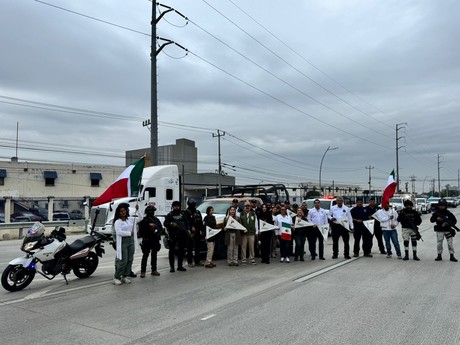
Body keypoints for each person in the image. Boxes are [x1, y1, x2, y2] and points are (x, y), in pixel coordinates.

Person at [113, 203, 138, 285]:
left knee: (130, 259)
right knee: (123, 260)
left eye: (124, 210)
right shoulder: (118, 221)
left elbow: (140, 218)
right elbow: (119, 232)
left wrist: (138, 210)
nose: (123, 212)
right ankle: (117, 277)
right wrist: (128, 233)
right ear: (118, 213)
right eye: (121, 211)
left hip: (131, 241)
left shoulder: (129, 219)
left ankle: (125, 276)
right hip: (123, 242)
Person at [164, 201, 190, 272]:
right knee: (172, 251)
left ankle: (180, 266)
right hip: (172, 235)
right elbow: (165, 223)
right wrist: (171, 223)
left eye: (178, 206)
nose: (176, 207)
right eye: (175, 206)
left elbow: (187, 223)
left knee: (181, 251)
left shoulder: (182, 215)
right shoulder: (170, 215)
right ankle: (172, 267)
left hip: (181, 235)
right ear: (172, 207)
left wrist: (188, 229)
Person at [138, 205, 163, 277]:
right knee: (145, 256)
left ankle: (154, 270)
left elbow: (160, 228)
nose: (152, 212)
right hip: (147, 240)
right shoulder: (144, 221)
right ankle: (143, 271)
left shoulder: (156, 220)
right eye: (151, 211)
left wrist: (157, 231)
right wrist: (149, 227)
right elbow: (141, 231)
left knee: (154, 255)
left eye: (153, 211)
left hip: (155, 240)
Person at [185, 199, 205, 268]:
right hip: (190, 232)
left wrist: (202, 230)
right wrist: (190, 227)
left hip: (198, 231)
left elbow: (201, 221)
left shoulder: (197, 212)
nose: (192, 206)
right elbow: (185, 222)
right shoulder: (186, 212)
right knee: (190, 247)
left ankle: (197, 261)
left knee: (198, 247)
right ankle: (190, 261)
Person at [240, 201, 259, 265]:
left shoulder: (253, 214)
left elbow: (256, 223)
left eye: (248, 206)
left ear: (250, 207)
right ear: (244, 207)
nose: (247, 207)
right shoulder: (241, 214)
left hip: (251, 233)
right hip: (244, 233)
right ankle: (244, 259)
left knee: (251, 247)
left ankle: (252, 259)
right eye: (246, 206)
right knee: (243, 247)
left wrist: (256, 232)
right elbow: (239, 223)